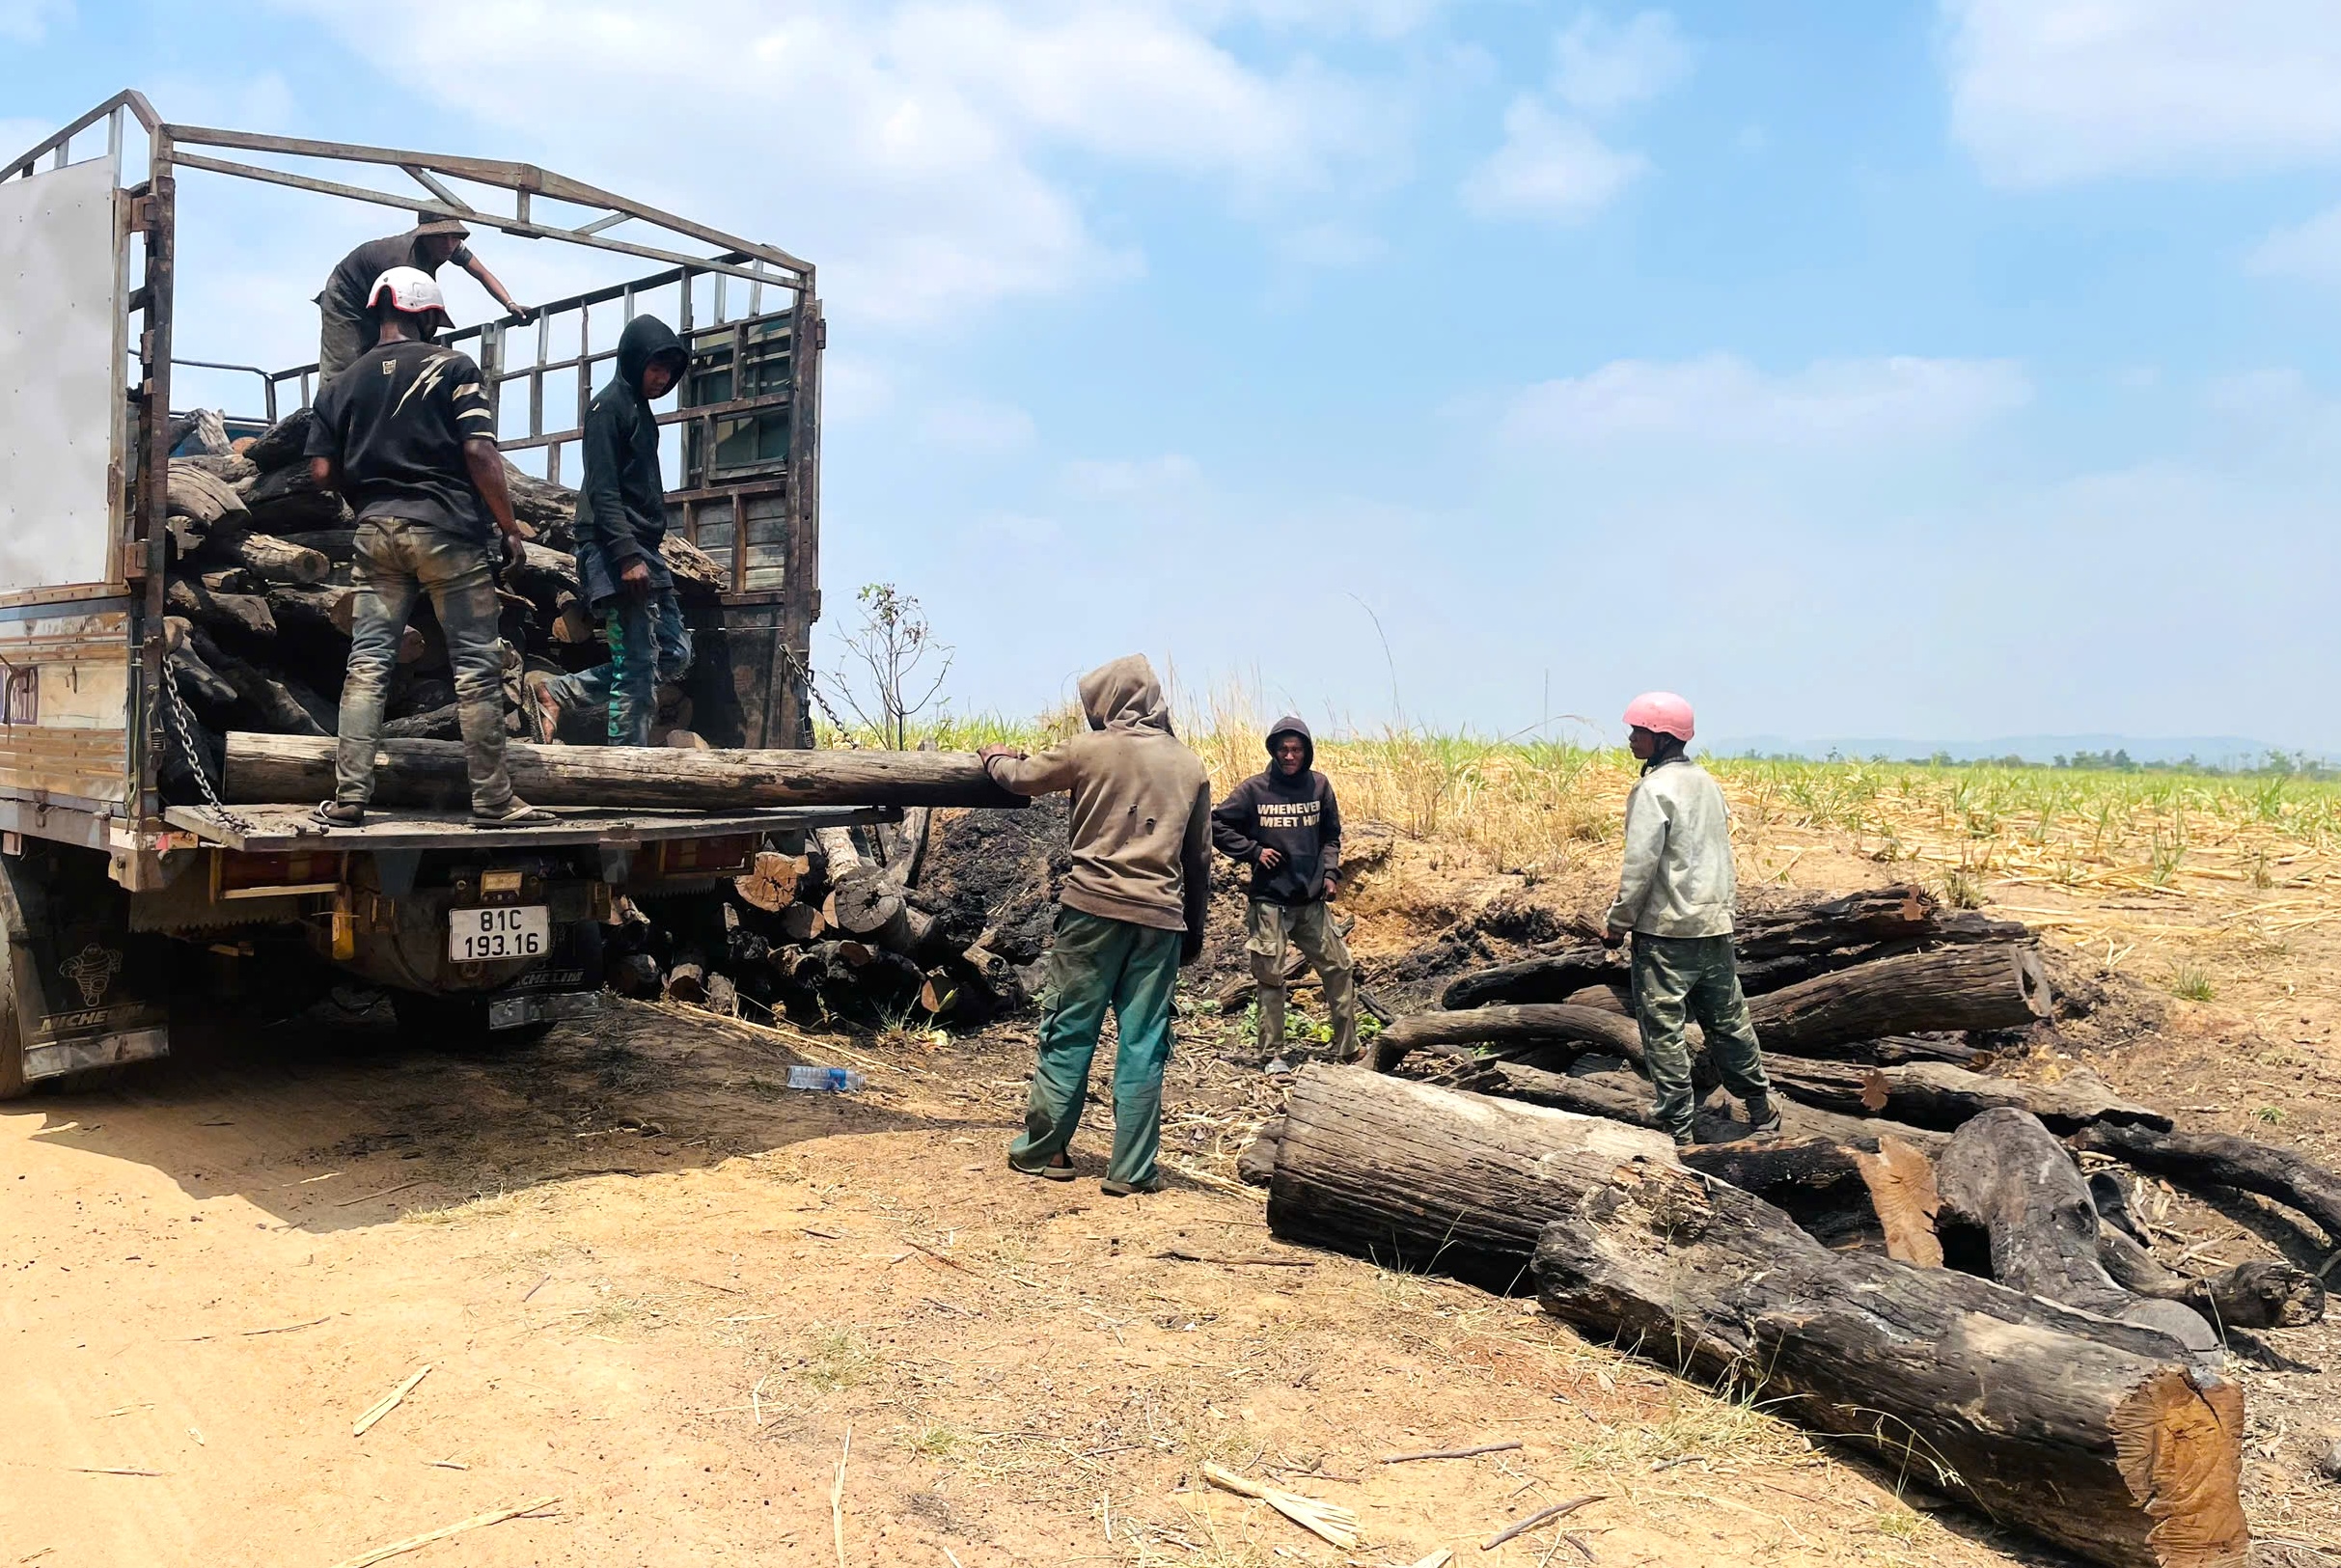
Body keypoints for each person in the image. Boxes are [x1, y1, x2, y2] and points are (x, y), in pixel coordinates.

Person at [304, 267, 550, 829]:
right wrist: (509, 527)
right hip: (446, 533)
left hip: (375, 534)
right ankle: (492, 801)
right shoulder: (453, 368)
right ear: (429, 315)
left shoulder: (340, 384)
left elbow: (320, 471)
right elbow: (480, 454)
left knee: (366, 666)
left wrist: (368, 494)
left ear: (380, 313)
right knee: (475, 668)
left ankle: (349, 799)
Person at [978, 656, 1212, 1197]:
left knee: (1069, 1028)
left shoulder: (1089, 749)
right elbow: (1199, 859)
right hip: (1160, 920)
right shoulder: (1189, 764)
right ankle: (1131, 1169)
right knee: (1145, 1041)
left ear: (1107, 702)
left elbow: (1020, 779)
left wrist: (995, 758)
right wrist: (1191, 932)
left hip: (1092, 912)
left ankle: (1047, 1151)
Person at [1602, 691, 1778, 1146]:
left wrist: (1618, 922)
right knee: (1729, 1023)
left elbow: (1639, 866)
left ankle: (1677, 1126)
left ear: (1661, 738)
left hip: (1666, 933)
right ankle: (1761, 1110)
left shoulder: (1653, 790)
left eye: (1638, 731)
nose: (1630, 738)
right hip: (1714, 927)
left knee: (1663, 1030)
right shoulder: (1707, 783)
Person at [525, 316, 693, 746]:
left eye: (669, 371)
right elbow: (602, 490)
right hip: (613, 548)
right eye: (655, 367)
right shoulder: (608, 408)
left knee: (674, 652)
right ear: (633, 360)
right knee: (636, 662)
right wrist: (627, 555)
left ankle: (559, 690)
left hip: (642, 549)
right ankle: (627, 766)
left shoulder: (641, 411)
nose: (662, 378)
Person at [1211, 716, 1357, 1061]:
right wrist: (1254, 851)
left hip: (1310, 900)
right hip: (1269, 902)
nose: (1290, 756)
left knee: (1340, 967)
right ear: (1273, 751)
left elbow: (1330, 836)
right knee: (1271, 978)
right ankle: (1272, 1055)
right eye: (1283, 750)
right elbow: (1216, 824)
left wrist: (1330, 874)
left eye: (1296, 750)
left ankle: (1348, 1048)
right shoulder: (1254, 790)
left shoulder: (1319, 786)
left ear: (1307, 752)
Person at [315, 217, 531, 380]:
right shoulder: (402, 260)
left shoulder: (450, 244)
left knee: (398, 358)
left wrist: (509, 303)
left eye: (454, 237)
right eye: (442, 238)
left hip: (382, 299)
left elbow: (482, 273)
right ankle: (325, 426)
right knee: (343, 371)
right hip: (347, 298)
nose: (448, 245)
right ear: (425, 237)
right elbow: (400, 313)